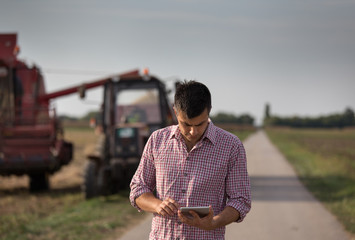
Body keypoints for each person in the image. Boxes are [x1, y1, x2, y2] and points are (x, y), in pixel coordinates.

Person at [129, 80, 251, 240]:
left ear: (209, 111)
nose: (193, 131)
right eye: (186, 124)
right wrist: (157, 205)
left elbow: (240, 200)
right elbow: (138, 188)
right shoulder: (157, 140)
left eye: (199, 124)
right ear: (175, 111)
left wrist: (214, 222)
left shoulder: (231, 146)